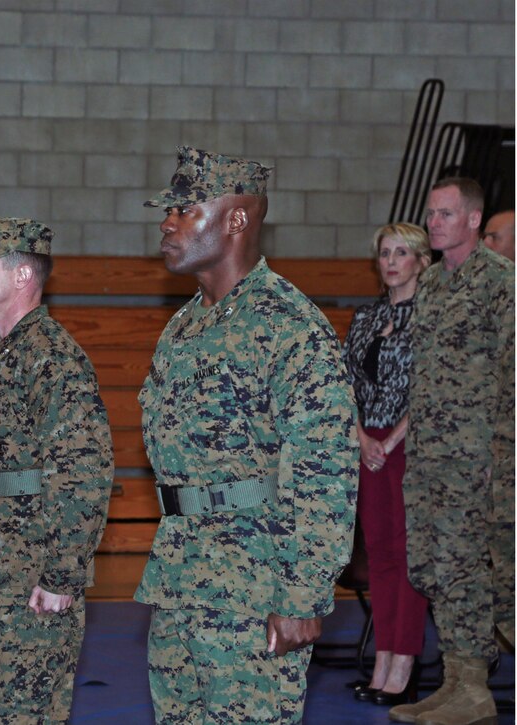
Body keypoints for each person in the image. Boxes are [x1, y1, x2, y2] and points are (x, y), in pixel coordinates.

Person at [134, 146, 358, 723]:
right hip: (182, 577)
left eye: (185, 211)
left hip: (253, 585)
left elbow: (324, 472)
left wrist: (302, 594)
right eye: (170, 212)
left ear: (237, 219)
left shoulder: (291, 327)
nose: (168, 223)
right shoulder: (184, 327)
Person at [0, 212, 114, 723]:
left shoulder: (54, 359)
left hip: (28, 578)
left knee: (23, 711)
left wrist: (63, 573)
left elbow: (84, 470)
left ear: (22, 276)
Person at [390, 178, 515, 725]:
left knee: (482, 569)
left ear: (472, 219)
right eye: (431, 214)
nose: (434, 223)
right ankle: (464, 683)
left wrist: (504, 458)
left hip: (478, 460)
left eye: (445, 214)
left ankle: (472, 686)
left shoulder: (502, 284)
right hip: (432, 458)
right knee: (442, 568)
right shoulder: (434, 285)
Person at [341, 223, 431, 707]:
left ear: (421, 260)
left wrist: (392, 438)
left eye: (402, 252)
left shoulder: (432, 317)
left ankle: (404, 667)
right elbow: (344, 384)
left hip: (409, 447)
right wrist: (360, 439)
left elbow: (434, 387)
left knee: (409, 557)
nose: (391, 261)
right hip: (367, 447)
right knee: (379, 556)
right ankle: (381, 664)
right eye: (384, 253)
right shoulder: (365, 317)